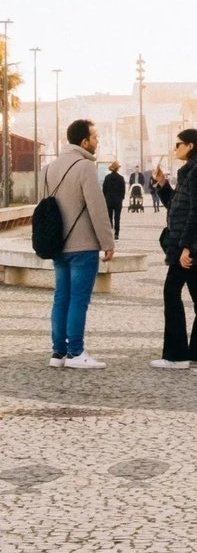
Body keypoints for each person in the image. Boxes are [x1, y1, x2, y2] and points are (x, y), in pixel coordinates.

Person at [42, 118, 116, 369]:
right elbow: (97, 207)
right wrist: (108, 241)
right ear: (84, 141)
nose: (97, 142)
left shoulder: (49, 167)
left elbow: (45, 207)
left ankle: (58, 353)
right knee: (78, 300)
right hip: (82, 245)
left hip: (57, 244)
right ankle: (76, 353)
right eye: (95, 138)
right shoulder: (85, 167)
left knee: (60, 298)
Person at [152, 128, 197, 371]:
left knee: (171, 292)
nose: (175, 149)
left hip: (187, 246)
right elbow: (177, 206)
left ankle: (176, 356)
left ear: (190, 145)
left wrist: (187, 248)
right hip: (185, 244)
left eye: (178, 144)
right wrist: (162, 185)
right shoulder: (192, 170)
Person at [102, 161, 126, 239]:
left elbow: (104, 189)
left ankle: (109, 232)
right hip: (118, 201)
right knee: (117, 217)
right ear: (118, 169)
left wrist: (106, 197)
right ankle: (116, 233)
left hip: (108, 200)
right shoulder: (121, 178)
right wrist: (121, 198)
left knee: (109, 216)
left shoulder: (107, 178)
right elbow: (123, 190)